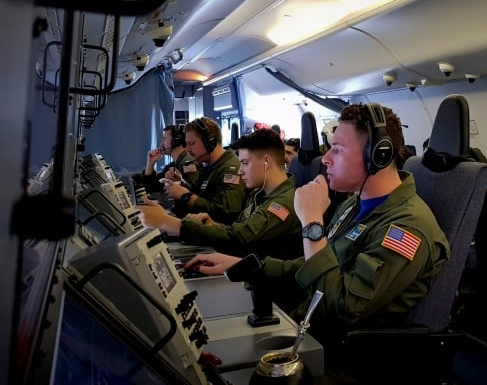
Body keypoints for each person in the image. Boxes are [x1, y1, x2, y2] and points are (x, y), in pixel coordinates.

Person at [183, 103, 448, 382]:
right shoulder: (353, 204)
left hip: (346, 358)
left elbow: (340, 309)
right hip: (308, 331)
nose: (326, 159)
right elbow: (316, 264)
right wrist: (247, 266)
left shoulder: (407, 229)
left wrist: (311, 223)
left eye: (338, 149)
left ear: (378, 156)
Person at [137, 128, 302, 259]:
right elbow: (240, 228)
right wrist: (214, 225)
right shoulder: (259, 194)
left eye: (244, 163)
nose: (240, 170)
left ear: (267, 162)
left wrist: (170, 223)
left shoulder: (282, 204)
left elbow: (240, 239)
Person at [162, 117, 246, 224]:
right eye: (186, 144)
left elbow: (226, 214)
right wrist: (183, 184)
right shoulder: (210, 166)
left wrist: (186, 196)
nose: (187, 149)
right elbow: (204, 196)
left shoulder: (230, 170)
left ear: (210, 142)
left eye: (191, 143)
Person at [138, 124, 199, 195]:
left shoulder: (190, 165)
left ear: (176, 140)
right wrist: (150, 163)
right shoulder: (172, 166)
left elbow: (193, 194)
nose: (161, 144)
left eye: (164, 139)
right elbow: (151, 188)